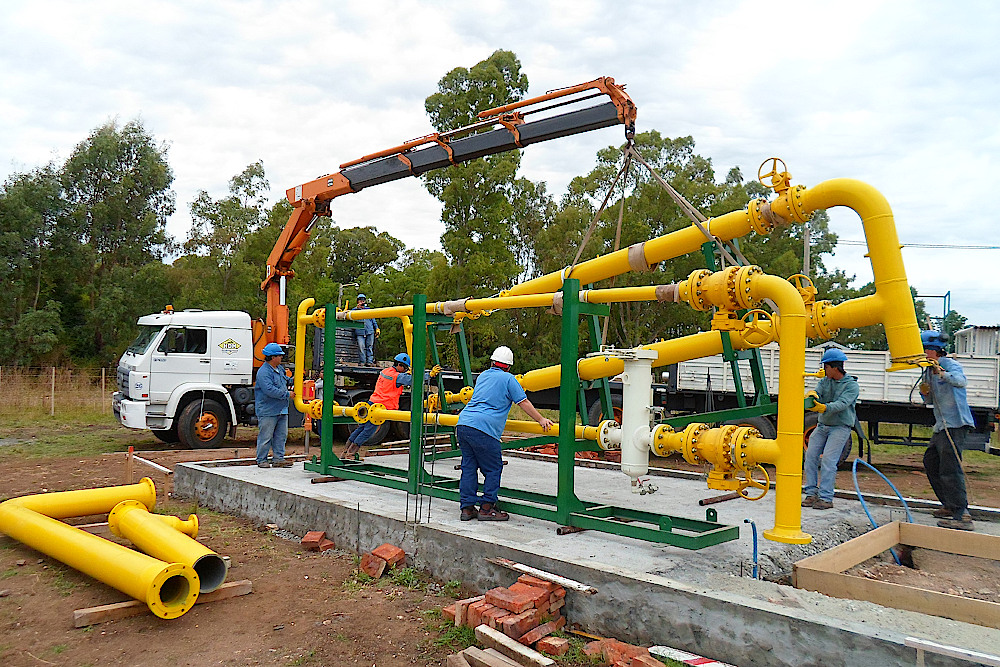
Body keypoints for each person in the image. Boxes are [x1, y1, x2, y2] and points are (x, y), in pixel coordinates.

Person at [456, 346, 554, 521]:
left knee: (469, 467)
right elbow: (522, 402)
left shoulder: (483, 376)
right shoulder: (509, 379)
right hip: (484, 429)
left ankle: (467, 509)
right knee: (494, 468)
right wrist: (541, 419)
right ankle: (487, 508)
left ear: (493, 362)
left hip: (464, 424)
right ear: (509, 366)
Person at [919, 330, 976, 531]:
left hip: (956, 423)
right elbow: (930, 401)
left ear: (933, 351)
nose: (922, 354)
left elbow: (961, 382)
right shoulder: (927, 371)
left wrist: (942, 373)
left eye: (924, 350)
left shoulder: (950, 365)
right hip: (941, 425)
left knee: (950, 469)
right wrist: (924, 394)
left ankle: (962, 515)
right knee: (931, 462)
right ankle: (949, 505)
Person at [343, 353, 440, 456]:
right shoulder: (396, 376)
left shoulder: (385, 371)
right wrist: (429, 375)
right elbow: (413, 380)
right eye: (405, 368)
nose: (405, 370)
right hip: (380, 407)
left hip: (372, 402)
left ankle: (345, 451)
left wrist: (407, 374)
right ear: (400, 365)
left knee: (361, 428)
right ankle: (351, 453)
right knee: (368, 432)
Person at [801, 348, 859, 510]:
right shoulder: (825, 381)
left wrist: (824, 408)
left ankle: (826, 498)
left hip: (840, 428)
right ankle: (811, 494)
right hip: (822, 426)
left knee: (828, 461)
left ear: (834, 367)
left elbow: (842, 404)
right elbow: (818, 392)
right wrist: (812, 395)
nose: (824, 369)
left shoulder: (851, 386)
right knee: (810, 457)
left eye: (826, 366)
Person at [255, 342, 292, 468]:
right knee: (266, 436)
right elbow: (269, 390)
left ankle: (278, 459)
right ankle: (261, 460)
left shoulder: (279, 369)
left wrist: (297, 379)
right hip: (268, 410)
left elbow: (286, 380)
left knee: (281, 436)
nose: (281, 357)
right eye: (279, 356)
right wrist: (287, 394)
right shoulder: (263, 372)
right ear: (272, 357)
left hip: (281, 409)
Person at [352, 294, 379, 366]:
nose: (362, 302)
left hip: (369, 331)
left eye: (363, 300)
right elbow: (350, 315)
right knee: (361, 347)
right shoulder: (354, 310)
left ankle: (369, 362)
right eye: (360, 300)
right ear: (357, 301)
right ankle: (362, 362)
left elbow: (373, 320)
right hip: (360, 332)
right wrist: (357, 309)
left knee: (369, 347)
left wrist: (376, 328)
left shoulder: (368, 310)